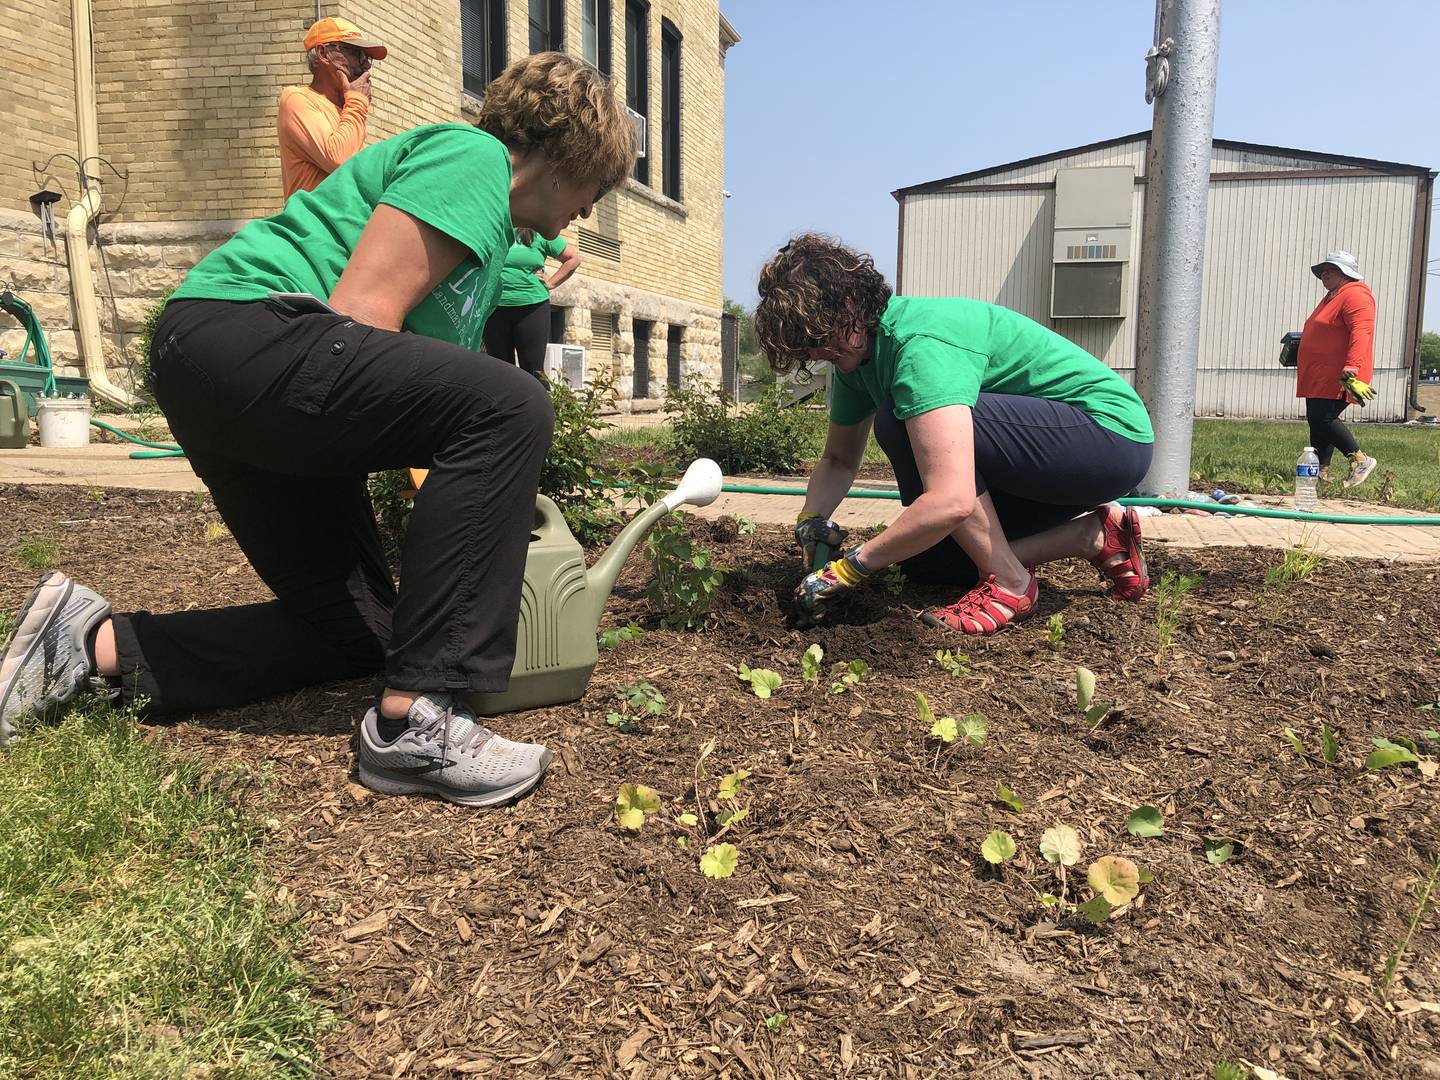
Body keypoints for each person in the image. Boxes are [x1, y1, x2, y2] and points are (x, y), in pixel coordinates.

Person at [0, 53, 636, 809]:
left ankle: (86, 645)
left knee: (359, 635)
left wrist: (466, 518)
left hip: (248, 379)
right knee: (515, 402)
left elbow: (408, 396)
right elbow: (363, 316)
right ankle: (418, 723)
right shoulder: (474, 159)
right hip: (244, 334)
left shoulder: (493, 242)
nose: (591, 211)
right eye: (598, 186)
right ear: (570, 155)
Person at [754, 234, 1155, 636]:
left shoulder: (918, 345)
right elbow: (838, 461)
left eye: (819, 338)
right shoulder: (852, 360)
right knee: (924, 561)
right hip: (1037, 458)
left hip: (1106, 437)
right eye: (807, 348)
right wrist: (811, 519)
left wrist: (847, 568)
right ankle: (1094, 536)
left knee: (897, 419)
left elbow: (952, 500)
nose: (818, 353)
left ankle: (1011, 583)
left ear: (848, 304)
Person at [277, 17, 387, 200]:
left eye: (367, 57)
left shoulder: (348, 113)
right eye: (355, 53)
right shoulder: (296, 99)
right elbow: (340, 159)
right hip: (314, 227)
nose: (365, 64)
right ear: (323, 53)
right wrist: (357, 102)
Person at [1296, 250, 1378, 486]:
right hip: (1319, 372)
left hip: (1340, 373)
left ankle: (1360, 459)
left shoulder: (1356, 295)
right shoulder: (1333, 296)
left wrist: (1352, 365)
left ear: (1346, 273)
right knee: (1318, 419)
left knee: (1322, 418)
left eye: (1331, 269)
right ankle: (1320, 470)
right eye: (1323, 270)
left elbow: (1361, 332)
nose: (1324, 274)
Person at [484, 228, 582, 376]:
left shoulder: (539, 232)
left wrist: (550, 283)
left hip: (532, 306)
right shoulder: (495, 227)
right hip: (495, 306)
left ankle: (537, 399)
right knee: (499, 369)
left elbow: (573, 259)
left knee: (533, 368)